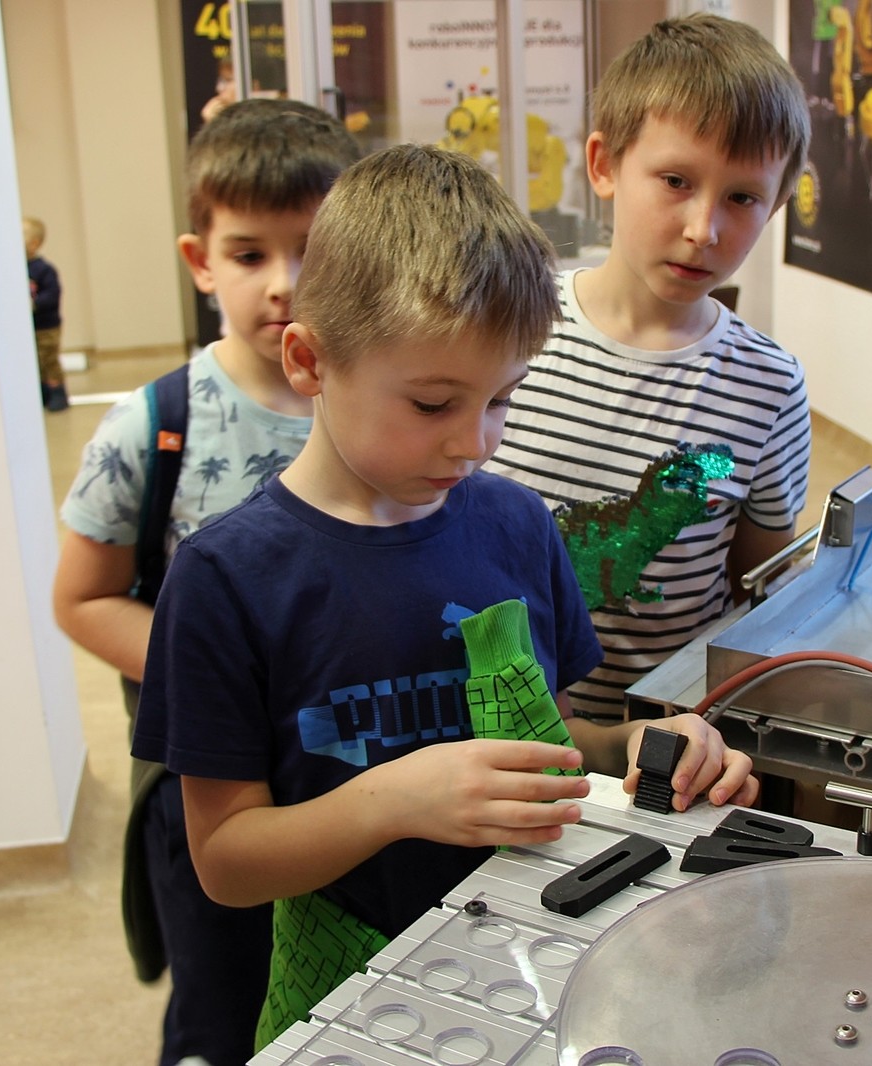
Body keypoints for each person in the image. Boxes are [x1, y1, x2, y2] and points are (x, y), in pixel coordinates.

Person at [129, 143, 760, 1052]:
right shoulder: (226, 580)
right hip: (347, 988)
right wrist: (393, 800)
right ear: (310, 361)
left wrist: (642, 746)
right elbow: (226, 860)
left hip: (533, 957)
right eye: (432, 405)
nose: (476, 443)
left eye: (502, 399)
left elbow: (552, 740)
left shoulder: (518, 526)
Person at [53, 98, 361, 1066]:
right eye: (248, 253)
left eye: (310, 248)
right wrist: (221, 677)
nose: (284, 283)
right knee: (226, 1015)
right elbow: (83, 597)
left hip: (348, 777)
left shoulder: (382, 403)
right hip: (209, 793)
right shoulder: (154, 425)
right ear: (199, 260)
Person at [483, 13, 814, 721]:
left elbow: (757, 590)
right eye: (675, 180)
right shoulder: (509, 332)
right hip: (499, 735)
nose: (703, 229)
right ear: (604, 165)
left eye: (743, 197)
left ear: (778, 204)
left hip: (674, 739)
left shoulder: (772, 386)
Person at [25, 216, 68, 412]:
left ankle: (58, 391)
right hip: (30, 328)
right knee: (35, 361)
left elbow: (52, 294)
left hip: (47, 326)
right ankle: (42, 392)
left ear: (34, 243)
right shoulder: (14, 269)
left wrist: (35, 304)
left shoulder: (44, 270)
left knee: (49, 360)